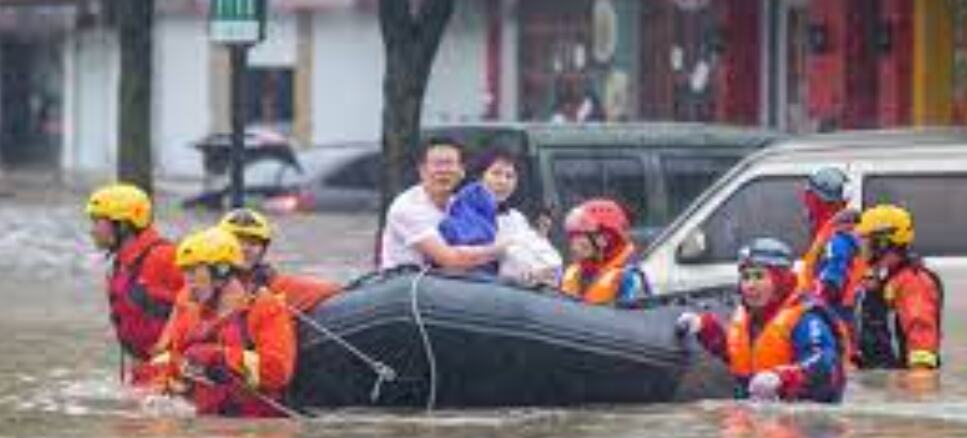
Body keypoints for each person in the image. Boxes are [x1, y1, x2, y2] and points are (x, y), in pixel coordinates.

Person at [676, 238, 845, 403]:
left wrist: (782, 377)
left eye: (759, 276)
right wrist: (705, 329)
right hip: (756, 410)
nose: (751, 285)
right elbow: (736, 357)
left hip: (800, 416)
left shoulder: (806, 318)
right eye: (746, 277)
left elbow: (824, 363)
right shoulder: (747, 317)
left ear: (780, 280)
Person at [158, 227, 296, 417]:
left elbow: (278, 372)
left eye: (194, 273)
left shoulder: (264, 308)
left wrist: (220, 357)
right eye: (184, 273)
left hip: (253, 426)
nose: (187, 283)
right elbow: (174, 373)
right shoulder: (191, 312)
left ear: (221, 271)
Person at [86, 183, 184, 371]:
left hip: (172, 370)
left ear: (122, 225)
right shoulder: (120, 264)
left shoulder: (164, 257)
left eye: (97, 222)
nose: (92, 230)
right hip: (142, 370)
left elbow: (205, 306)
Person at [379, 138, 504, 271]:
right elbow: (451, 260)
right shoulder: (407, 208)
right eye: (437, 164)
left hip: (448, 282)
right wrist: (504, 248)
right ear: (422, 171)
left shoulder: (461, 205)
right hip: (407, 283)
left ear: (462, 171)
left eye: (449, 164)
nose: (443, 171)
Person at [437, 148, 562, 279]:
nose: (503, 181)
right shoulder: (461, 210)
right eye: (496, 173)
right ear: (480, 177)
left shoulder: (516, 217)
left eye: (510, 176)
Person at [854, 204, 942, 370]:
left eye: (866, 240)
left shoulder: (913, 282)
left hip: (899, 384)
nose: (862, 248)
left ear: (882, 243)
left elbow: (922, 342)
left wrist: (918, 384)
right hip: (881, 381)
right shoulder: (882, 278)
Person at [218, 208, 341, 312]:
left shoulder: (274, 285)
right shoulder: (205, 282)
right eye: (237, 242)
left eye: (253, 243)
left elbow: (322, 289)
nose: (245, 249)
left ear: (263, 250)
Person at [798, 167, 865, 329]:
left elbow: (831, 285)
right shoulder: (833, 233)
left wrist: (809, 305)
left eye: (810, 197)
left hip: (833, 319)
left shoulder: (838, 239)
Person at [559, 198, 648, 305]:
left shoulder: (629, 278)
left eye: (579, 237)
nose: (573, 246)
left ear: (604, 239)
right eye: (572, 237)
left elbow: (637, 318)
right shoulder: (570, 272)